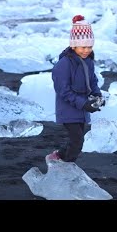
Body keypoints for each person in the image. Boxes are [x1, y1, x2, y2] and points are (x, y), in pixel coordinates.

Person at [47, 15, 105, 163]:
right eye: (83, 47)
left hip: (81, 108)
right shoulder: (64, 64)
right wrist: (83, 103)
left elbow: (92, 80)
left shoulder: (88, 61)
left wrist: (97, 94)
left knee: (77, 139)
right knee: (77, 141)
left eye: (90, 46)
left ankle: (58, 156)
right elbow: (63, 91)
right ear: (73, 45)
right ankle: (67, 165)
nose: (87, 50)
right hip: (68, 107)